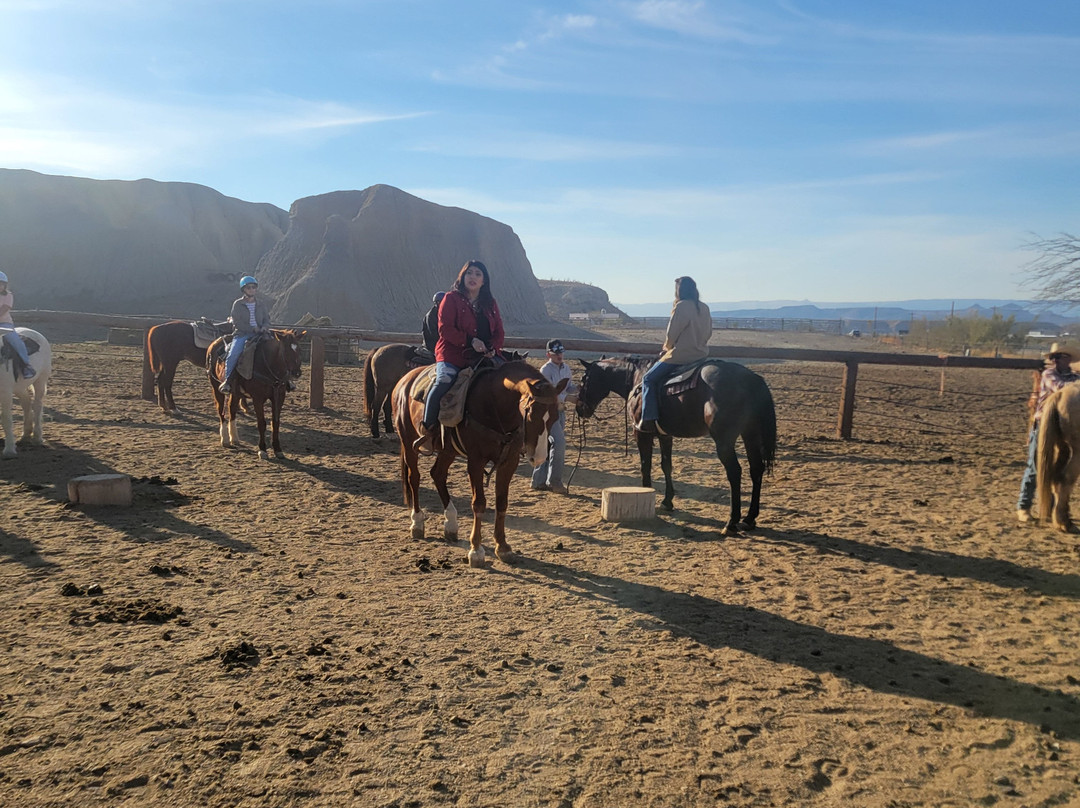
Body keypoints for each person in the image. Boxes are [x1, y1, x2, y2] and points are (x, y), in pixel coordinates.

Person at [414, 260, 505, 455]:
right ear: (462, 277)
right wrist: (470, 341)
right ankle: (428, 431)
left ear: (484, 280)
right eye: (469, 273)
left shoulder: (490, 303)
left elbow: (499, 332)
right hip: (453, 353)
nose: (473, 277)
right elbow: (445, 329)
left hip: (483, 356)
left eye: (478, 274)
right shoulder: (451, 299)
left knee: (507, 383)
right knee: (443, 382)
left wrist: (492, 348)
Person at [638, 276, 712, 433]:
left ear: (679, 291)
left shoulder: (681, 306)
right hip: (701, 355)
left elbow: (672, 334)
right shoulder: (704, 307)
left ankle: (648, 419)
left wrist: (667, 348)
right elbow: (708, 332)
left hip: (680, 356)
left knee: (648, 379)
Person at [1017, 342, 1080, 523]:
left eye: (1062, 357)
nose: (1059, 360)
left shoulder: (1074, 375)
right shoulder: (1049, 374)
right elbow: (1061, 389)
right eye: (1057, 357)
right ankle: (1024, 506)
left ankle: (1051, 508)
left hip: (1063, 424)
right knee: (1036, 465)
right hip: (1043, 423)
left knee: (1059, 463)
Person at [532, 339, 576, 494]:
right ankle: (555, 481)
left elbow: (569, 387)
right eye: (556, 353)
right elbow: (549, 394)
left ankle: (538, 481)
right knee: (559, 442)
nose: (559, 355)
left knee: (547, 444)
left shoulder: (566, 369)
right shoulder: (545, 370)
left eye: (560, 352)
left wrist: (579, 389)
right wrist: (568, 398)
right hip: (548, 413)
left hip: (560, 411)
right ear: (548, 354)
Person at [219, 275, 272, 394]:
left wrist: (264, 327)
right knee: (233, 353)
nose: (252, 290)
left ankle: (285, 379)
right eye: (249, 288)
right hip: (242, 334)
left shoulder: (261, 304)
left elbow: (267, 319)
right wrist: (253, 329)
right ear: (244, 290)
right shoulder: (238, 304)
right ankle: (227, 381)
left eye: (253, 287)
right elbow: (237, 322)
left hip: (260, 333)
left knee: (278, 348)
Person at [0, 271, 37, 379]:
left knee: (15, 340)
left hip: (4, 324)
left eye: (1, 284)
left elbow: (4, 309)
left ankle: (26, 365)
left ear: (5, 285)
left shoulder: (8, 296)